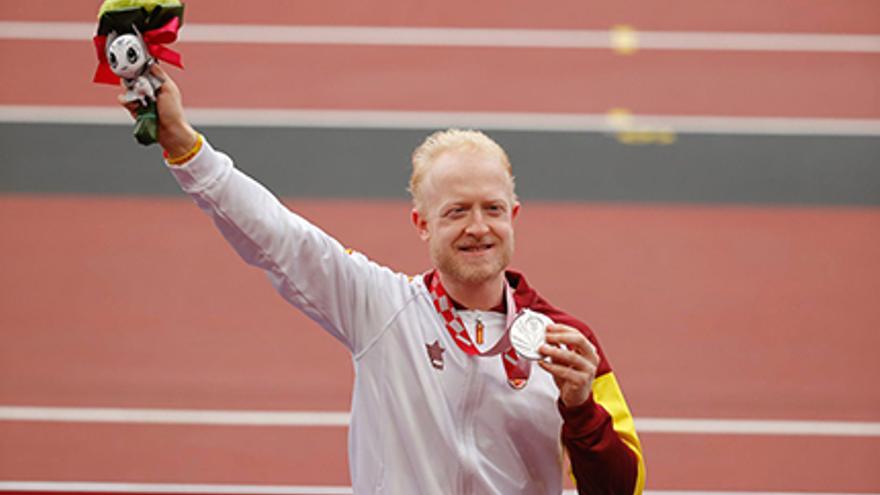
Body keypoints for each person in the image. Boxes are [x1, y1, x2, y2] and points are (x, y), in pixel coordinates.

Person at [124, 65, 646, 494]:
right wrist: (182, 143)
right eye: (456, 211)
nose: (478, 227)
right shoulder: (382, 308)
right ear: (422, 223)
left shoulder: (567, 344)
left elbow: (626, 490)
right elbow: (278, 235)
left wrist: (580, 409)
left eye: (492, 209)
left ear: (514, 214)